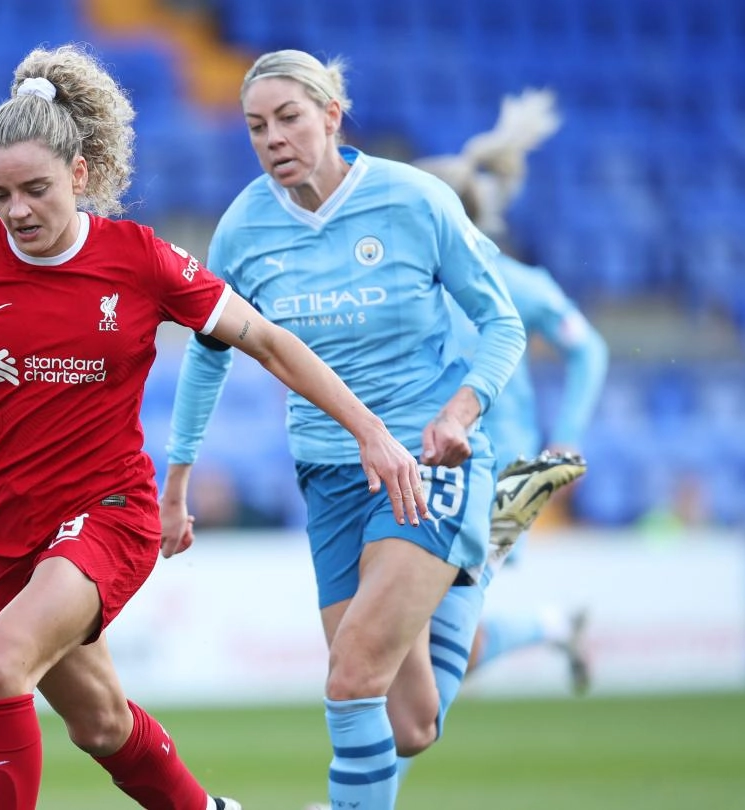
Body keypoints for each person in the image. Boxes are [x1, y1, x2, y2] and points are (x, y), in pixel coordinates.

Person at [0, 43, 426, 810]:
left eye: (35, 189)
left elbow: (266, 340)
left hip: (108, 514)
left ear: (81, 175)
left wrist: (368, 428)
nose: (17, 211)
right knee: (100, 723)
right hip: (2, 530)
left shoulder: (139, 261)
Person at [161, 50, 527, 809]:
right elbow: (206, 360)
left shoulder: (415, 200)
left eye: (289, 117)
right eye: (256, 126)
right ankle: (480, 561)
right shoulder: (243, 229)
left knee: (352, 674)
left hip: (428, 464)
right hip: (329, 477)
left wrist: (460, 411)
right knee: (407, 724)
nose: (272, 138)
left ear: (332, 115)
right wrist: (179, 473)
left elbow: (503, 323)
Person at [415, 88, 609, 695]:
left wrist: (566, 436)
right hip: (429, 466)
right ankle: (553, 627)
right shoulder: (404, 289)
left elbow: (589, 348)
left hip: (501, 477)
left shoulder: (510, 283)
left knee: (417, 646)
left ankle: (363, 793)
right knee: (435, 646)